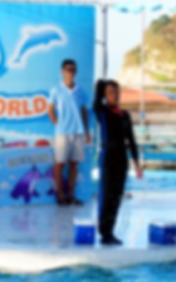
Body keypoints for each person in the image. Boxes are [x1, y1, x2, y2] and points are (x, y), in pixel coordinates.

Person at [93, 79, 142, 246]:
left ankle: (110, 232)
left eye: (116, 92)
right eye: (110, 92)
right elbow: (95, 103)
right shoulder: (103, 112)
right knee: (106, 195)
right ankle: (103, 231)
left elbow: (131, 139)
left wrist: (137, 163)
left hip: (122, 156)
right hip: (107, 155)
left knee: (116, 197)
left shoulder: (124, 115)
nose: (115, 95)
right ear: (105, 96)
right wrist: (101, 85)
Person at [48, 59, 91, 206]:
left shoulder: (81, 90)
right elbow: (50, 110)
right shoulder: (56, 89)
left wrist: (86, 131)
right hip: (62, 133)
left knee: (74, 164)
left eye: (73, 69)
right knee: (60, 164)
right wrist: (58, 124)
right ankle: (60, 196)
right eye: (68, 69)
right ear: (62, 71)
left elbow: (84, 110)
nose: (70, 72)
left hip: (78, 132)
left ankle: (71, 195)